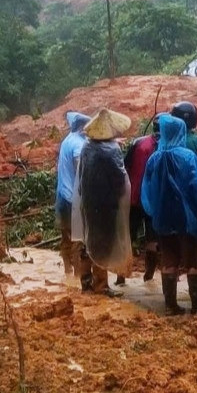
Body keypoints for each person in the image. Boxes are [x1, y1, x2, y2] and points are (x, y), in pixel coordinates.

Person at [142, 113, 197, 316]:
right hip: (188, 216)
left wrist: (153, 212)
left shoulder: (154, 159)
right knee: (192, 259)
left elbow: (147, 190)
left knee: (169, 259)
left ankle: (170, 306)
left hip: (163, 217)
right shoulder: (188, 157)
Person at [73, 109, 133, 294]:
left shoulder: (87, 147)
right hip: (106, 205)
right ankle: (101, 284)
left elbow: (82, 177)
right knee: (103, 243)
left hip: (87, 203)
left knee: (87, 239)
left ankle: (86, 283)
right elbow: (119, 180)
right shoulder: (112, 150)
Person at [124, 118, 159, 282]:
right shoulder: (167, 147)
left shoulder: (138, 143)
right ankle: (149, 275)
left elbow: (125, 167)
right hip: (154, 200)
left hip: (134, 198)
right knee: (152, 238)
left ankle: (121, 276)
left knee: (129, 235)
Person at [55, 111, 91, 277]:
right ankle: (78, 276)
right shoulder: (79, 143)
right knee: (78, 238)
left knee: (65, 236)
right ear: (81, 126)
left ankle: (67, 272)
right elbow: (79, 167)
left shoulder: (66, 141)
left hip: (62, 196)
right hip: (74, 198)